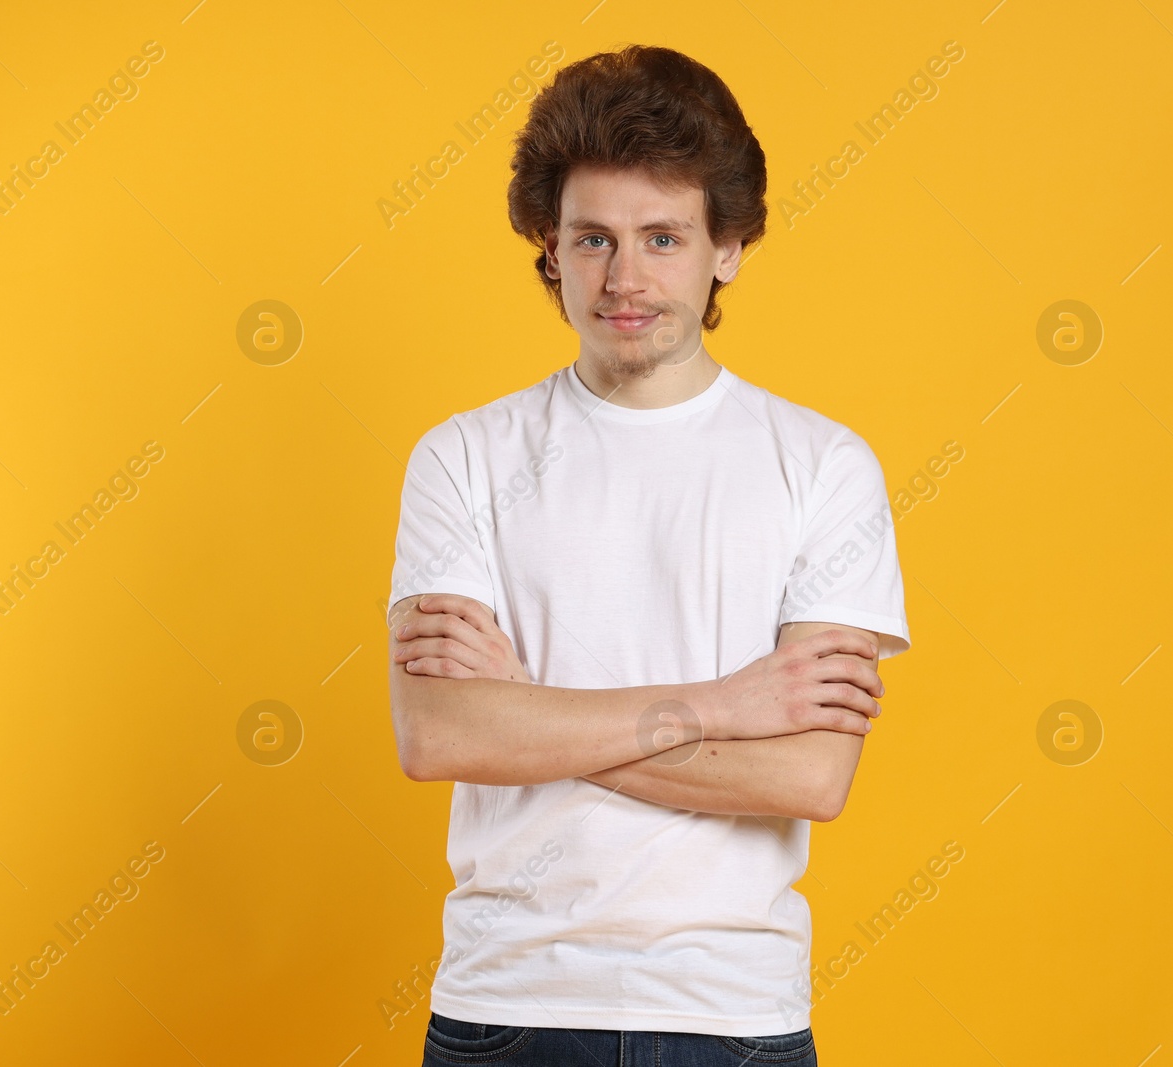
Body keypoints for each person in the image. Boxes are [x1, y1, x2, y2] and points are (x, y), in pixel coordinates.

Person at [387, 43, 910, 1067]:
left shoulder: (824, 466)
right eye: (592, 238)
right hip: (506, 1007)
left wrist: (529, 710)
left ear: (728, 248)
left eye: (662, 237)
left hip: (733, 1015)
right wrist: (726, 704)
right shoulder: (462, 457)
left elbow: (808, 771)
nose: (624, 278)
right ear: (548, 246)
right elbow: (440, 737)